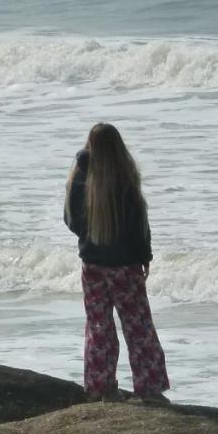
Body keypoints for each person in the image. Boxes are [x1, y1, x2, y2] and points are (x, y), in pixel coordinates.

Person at [64, 122, 170, 403]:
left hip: (93, 264)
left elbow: (71, 220)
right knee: (138, 326)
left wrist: (89, 237)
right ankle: (148, 388)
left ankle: (101, 386)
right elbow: (138, 225)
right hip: (125, 265)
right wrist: (144, 256)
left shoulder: (79, 176)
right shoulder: (125, 176)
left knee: (99, 326)